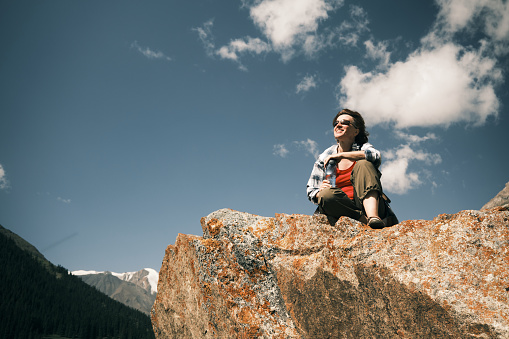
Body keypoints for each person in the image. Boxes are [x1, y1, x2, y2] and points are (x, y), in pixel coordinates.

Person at [307, 108, 392, 228]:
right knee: (325, 195)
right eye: (336, 123)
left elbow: (375, 155)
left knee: (364, 163)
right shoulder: (325, 157)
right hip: (341, 208)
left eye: (345, 122)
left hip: (366, 204)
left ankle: (374, 217)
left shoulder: (363, 148)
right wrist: (319, 191)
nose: (339, 125)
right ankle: (365, 222)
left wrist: (341, 155)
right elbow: (311, 190)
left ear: (356, 131)